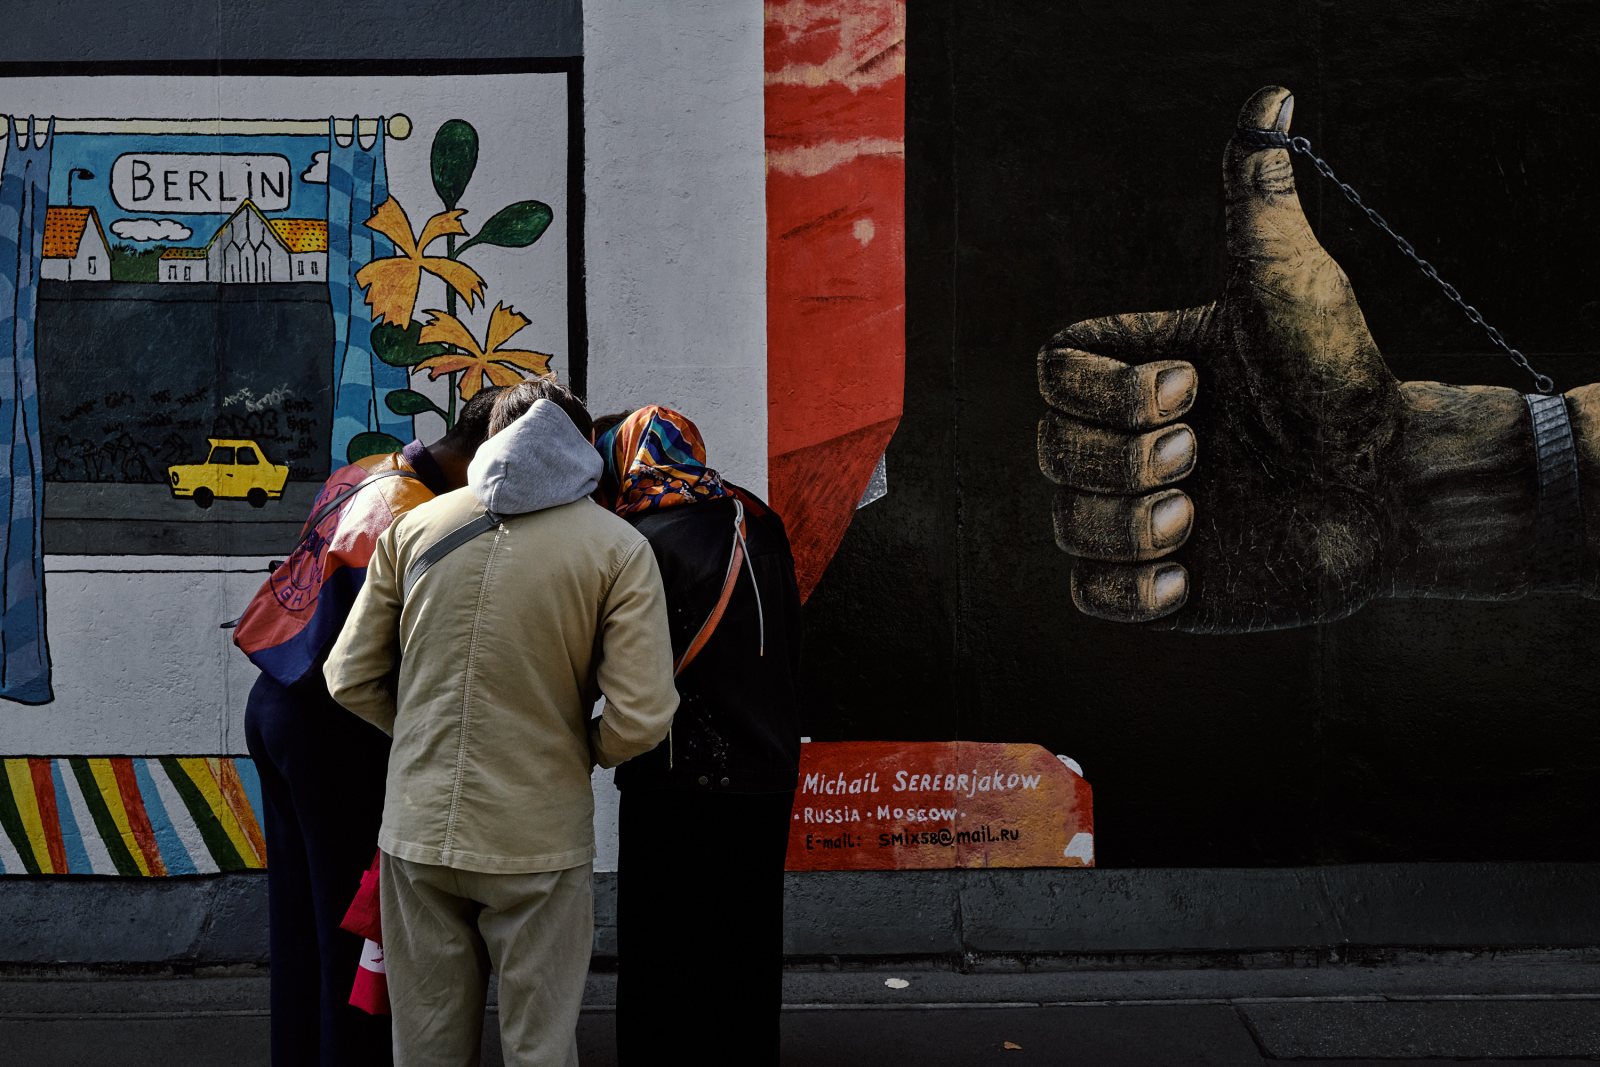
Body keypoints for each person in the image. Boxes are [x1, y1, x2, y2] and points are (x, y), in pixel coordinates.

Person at [323, 379, 680, 1065]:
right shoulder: (617, 548)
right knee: (540, 1047)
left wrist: (420, 733)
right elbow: (643, 715)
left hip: (418, 829)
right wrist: (584, 748)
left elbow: (346, 676)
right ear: (581, 450)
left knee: (425, 1047)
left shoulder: (413, 526)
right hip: (537, 839)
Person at [236, 387, 504, 1067]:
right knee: (355, 930)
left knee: (300, 921)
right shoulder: (413, 515)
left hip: (276, 702)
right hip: (332, 725)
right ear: (481, 452)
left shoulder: (361, 471)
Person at [596, 405, 803, 1066]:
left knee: (665, 955)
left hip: (677, 776)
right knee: (744, 948)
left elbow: (627, 667)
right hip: (765, 773)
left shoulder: (638, 539)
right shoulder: (759, 521)